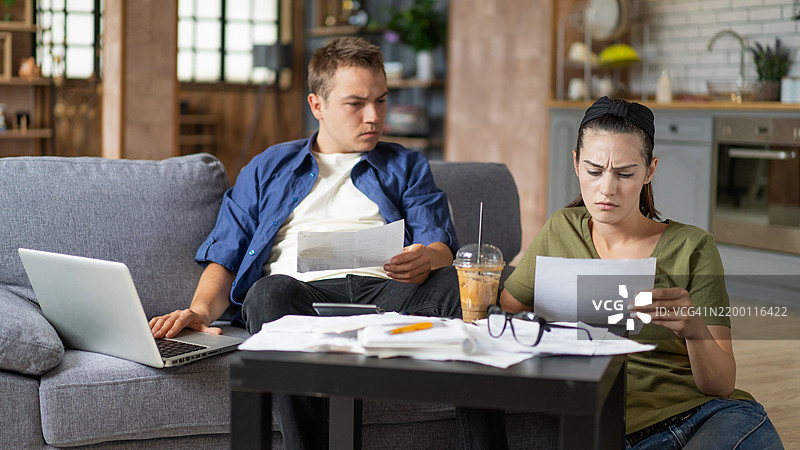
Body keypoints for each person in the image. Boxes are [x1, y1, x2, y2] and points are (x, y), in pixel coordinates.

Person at [149, 36, 461, 449]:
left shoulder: (405, 163)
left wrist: (426, 258)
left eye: (381, 101)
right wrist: (199, 310)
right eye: (356, 104)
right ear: (317, 106)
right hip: (301, 300)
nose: (374, 117)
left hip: (387, 295)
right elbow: (227, 251)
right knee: (266, 294)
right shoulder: (269, 166)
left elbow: (439, 242)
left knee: (460, 282)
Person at [497, 96, 783, 449]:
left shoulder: (693, 247)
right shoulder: (560, 231)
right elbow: (507, 311)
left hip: (705, 416)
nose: (607, 188)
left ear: (650, 171)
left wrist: (693, 328)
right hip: (610, 428)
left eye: (625, 173)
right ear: (575, 163)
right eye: (594, 170)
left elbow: (721, 385)